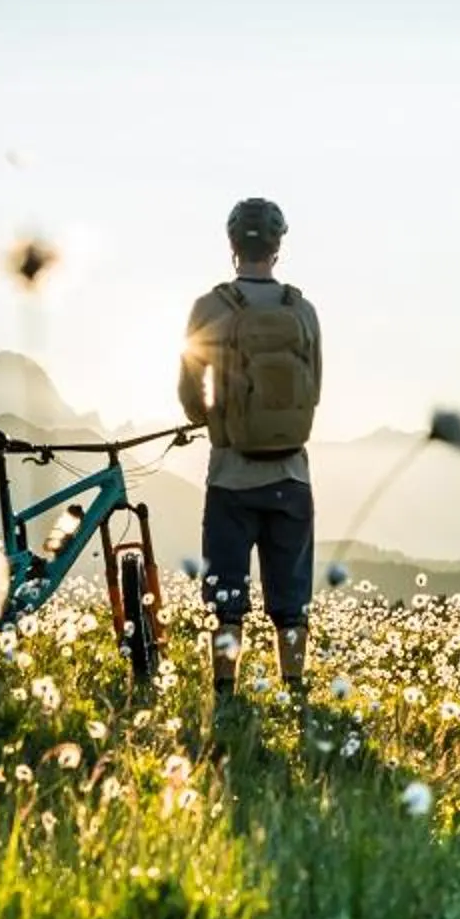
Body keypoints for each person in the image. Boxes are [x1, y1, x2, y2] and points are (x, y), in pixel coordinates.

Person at [177, 196, 323, 704]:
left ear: (232, 245)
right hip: (292, 476)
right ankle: (294, 694)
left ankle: (225, 696)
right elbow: (315, 390)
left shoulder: (211, 307)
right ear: (278, 247)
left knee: (227, 596)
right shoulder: (301, 311)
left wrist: (217, 419)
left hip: (230, 478)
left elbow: (190, 394)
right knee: (291, 599)